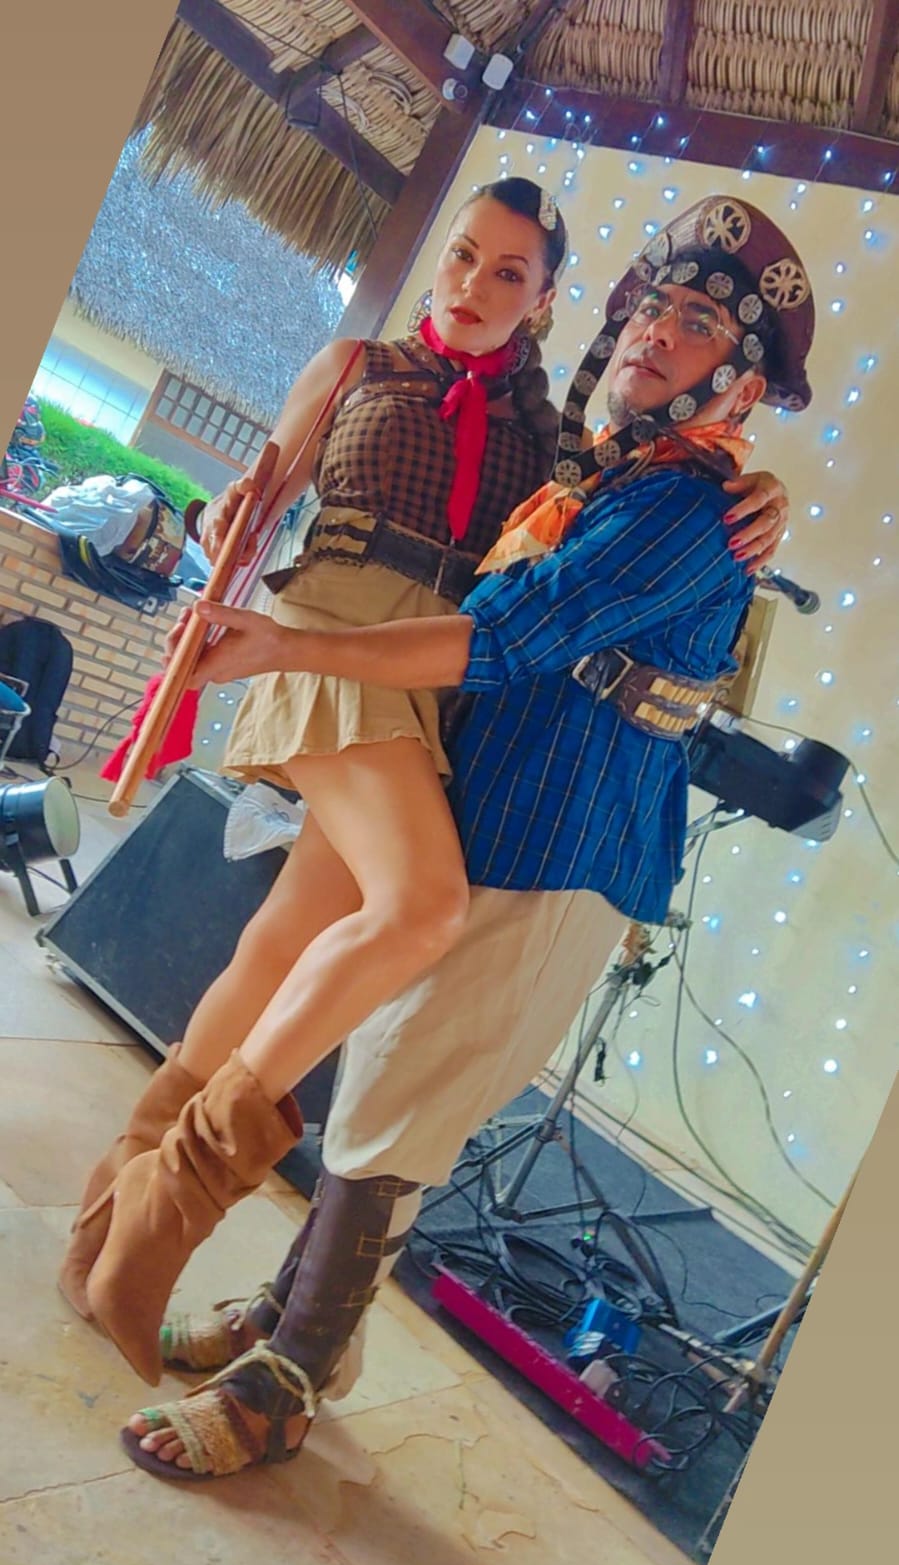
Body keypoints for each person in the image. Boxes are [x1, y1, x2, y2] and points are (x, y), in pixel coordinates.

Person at [62, 191, 797, 1477]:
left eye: (695, 326)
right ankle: (170, 1264)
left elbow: (506, 634)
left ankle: (281, 1372)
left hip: (553, 834)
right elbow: (266, 491)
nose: (654, 333)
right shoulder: (580, 465)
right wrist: (243, 552)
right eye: (653, 308)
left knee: (396, 1094)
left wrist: (755, 482)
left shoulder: (661, 497)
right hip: (447, 764)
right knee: (359, 1045)